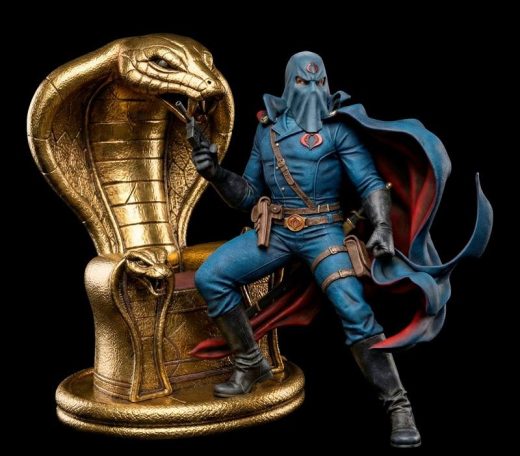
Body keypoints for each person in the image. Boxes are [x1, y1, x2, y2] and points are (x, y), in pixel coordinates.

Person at [190, 51, 492, 448]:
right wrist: (215, 173)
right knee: (210, 276)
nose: (312, 90)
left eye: (319, 82)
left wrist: (382, 226)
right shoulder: (268, 130)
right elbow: (247, 194)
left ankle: (398, 404)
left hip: (324, 233)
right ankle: (251, 364)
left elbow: (369, 183)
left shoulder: (338, 130)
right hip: (277, 232)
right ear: (289, 84)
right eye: (303, 82)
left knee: (354, 312)